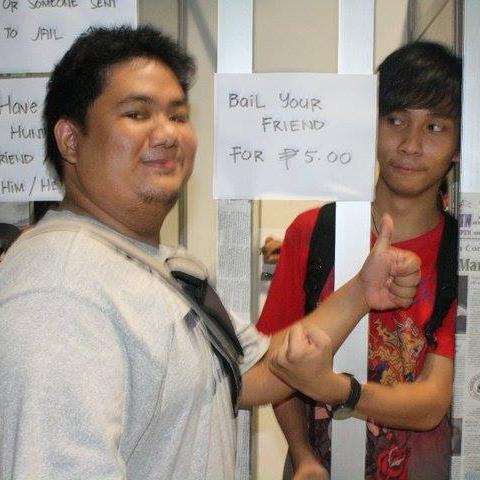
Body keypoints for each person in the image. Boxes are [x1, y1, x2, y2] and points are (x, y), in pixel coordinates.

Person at [0, 26, 420, 480]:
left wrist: (360, 293)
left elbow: (260, 372)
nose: (167, 134)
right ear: (70, 139)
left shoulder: (164, 268)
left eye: (178, 115)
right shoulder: (62, 290)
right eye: (137, 114)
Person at [259, 41, 461, 480]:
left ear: (460, 146)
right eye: (395, 120)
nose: (410, 144)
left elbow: (432, 403)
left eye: (435, 127)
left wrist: (336, 389)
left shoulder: (461, 254)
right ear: (370, 124)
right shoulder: (313, 232)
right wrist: (303, 455)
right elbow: (273, 361)